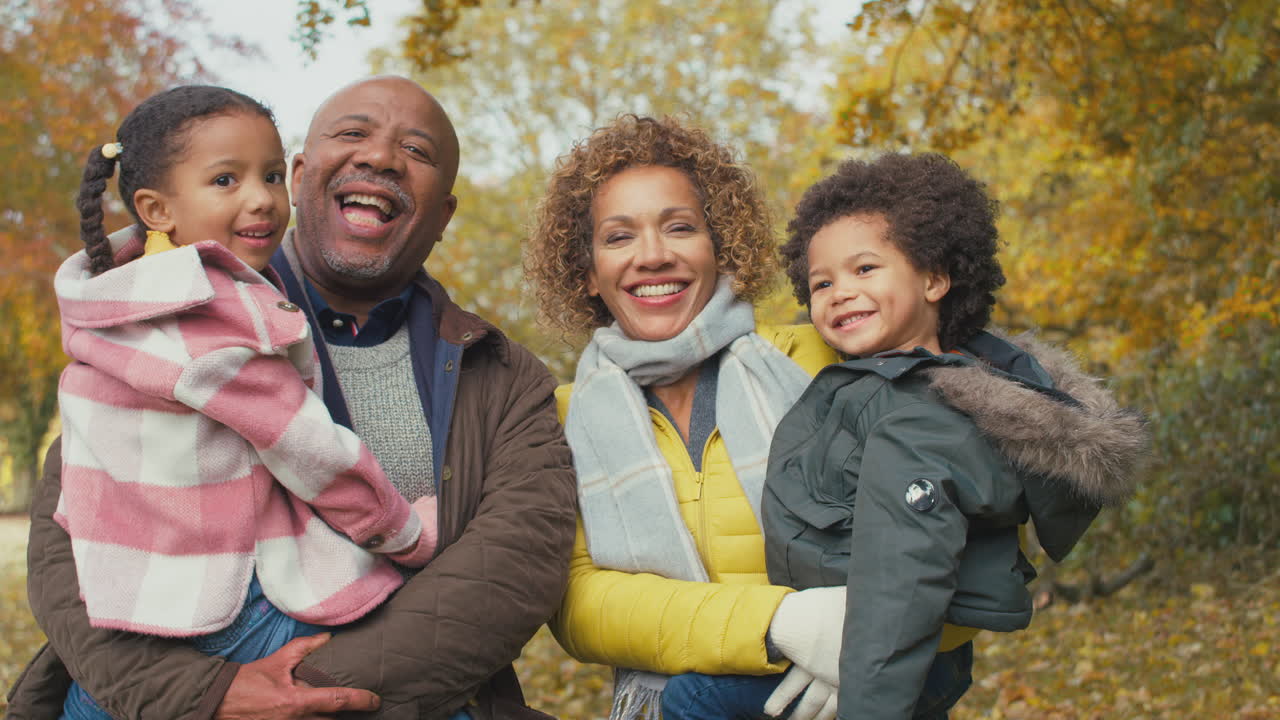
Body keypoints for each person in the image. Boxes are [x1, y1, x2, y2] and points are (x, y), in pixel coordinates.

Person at [7, 76, 577, 720]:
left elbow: (510, 570)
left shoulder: (503, 377)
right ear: (306, 176)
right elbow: (68, 539)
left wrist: (304, 699)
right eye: (354, 133)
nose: (382, 157)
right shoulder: (165, 320)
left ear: (443, 216)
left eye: (416, 151)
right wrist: (206, 698)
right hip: (155, 683)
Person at [523, 116, 976, 720]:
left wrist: (876, 642)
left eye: (680, 227)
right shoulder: (561, 416)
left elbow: (968, 517)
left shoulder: (826, 356)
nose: (653, 256)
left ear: (721, 246)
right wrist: (782, 625)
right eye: (618, 237)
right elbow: (580, 605)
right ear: (586, 271)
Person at [54, 84, 436, 720]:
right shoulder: (209, 316)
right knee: (405, 678)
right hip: (228, 607)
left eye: (271, 174)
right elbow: (310, 449)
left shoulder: (109, 307)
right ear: (156, 208)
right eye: (225, 180)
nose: (261, 198)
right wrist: (408, 533)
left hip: (128, 608)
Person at [744, 153, 1144, 719]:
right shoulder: (914, 378)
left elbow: (901, 577)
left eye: (865, 270)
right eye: (821, 282)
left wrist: (868, 699)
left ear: (934, 279)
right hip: (873, 646)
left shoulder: (920, 417)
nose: (838, 292)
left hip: (879, 662)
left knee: (692, 697)